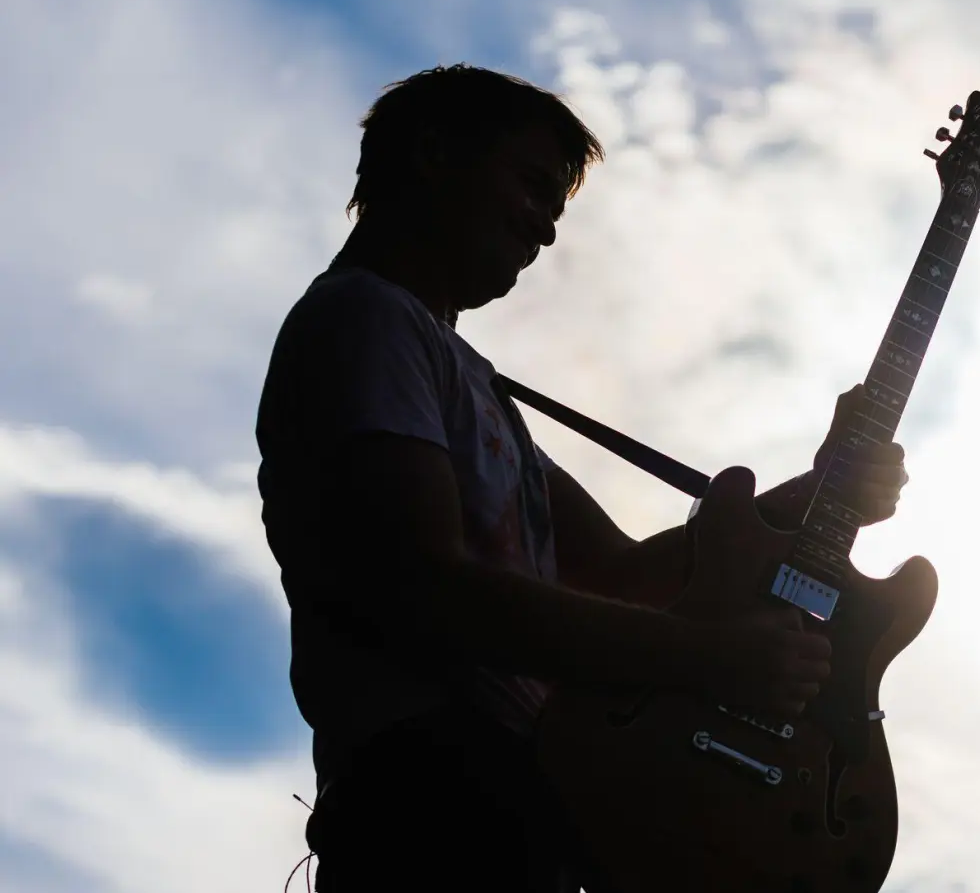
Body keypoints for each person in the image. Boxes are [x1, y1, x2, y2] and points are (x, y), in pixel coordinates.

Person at [254, 63, 911, 892]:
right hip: (429, 802)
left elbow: (627, 575)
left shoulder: (467, 377)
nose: (547, 232)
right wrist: (709, 660)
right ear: (433, 155)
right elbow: (431, 592)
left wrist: (823, 487)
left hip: (523, 805)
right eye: (531, 187)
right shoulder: (364, 318)